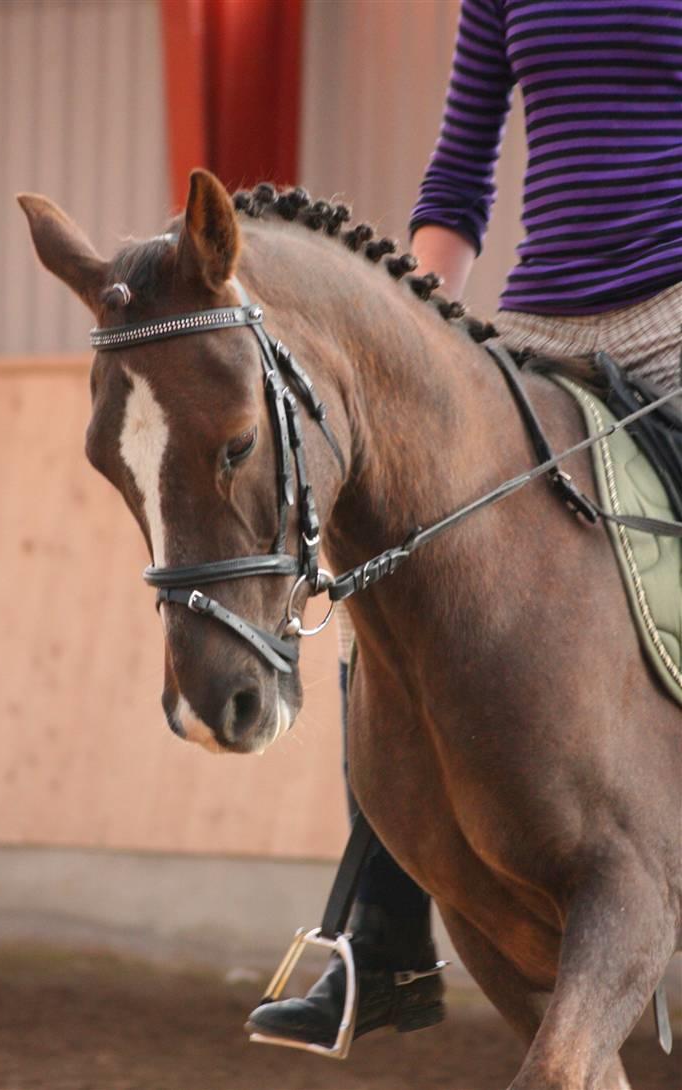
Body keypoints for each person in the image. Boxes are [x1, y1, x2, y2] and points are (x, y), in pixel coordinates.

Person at [247, 0, 682, 1050]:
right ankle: (381, 937)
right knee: (398, 571)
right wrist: (411, 347)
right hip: (530, 321)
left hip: (675, 308)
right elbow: (456, 178)